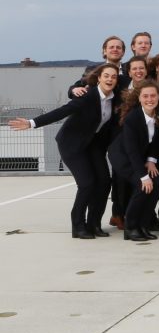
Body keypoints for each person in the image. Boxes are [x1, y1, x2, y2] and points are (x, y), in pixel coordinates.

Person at [8, 63, 120, 239]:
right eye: (106, 75)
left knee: (105, 182)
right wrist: (32, 123)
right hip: (72, 144)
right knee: (87, 184)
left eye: (114, 77)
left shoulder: (114, 98)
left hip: (91, 145)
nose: (110, 79)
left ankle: (94, 224)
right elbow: (62, 112)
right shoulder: (87, 96)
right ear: (99, 78)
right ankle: (78, 226)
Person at [108, 80, 159, 242]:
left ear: (158, 97)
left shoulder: (158, 114)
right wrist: (143, 176)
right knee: (142, 186)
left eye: (153, 96)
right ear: (139, 98)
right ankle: (130, 227)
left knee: (158, 184)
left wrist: (152, 160)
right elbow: (131, 151)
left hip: (141, 157)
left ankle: (143, 225)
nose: (149, 99)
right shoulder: (133, 118)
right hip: (123, 157)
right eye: (145, 96)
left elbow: (156, 141)